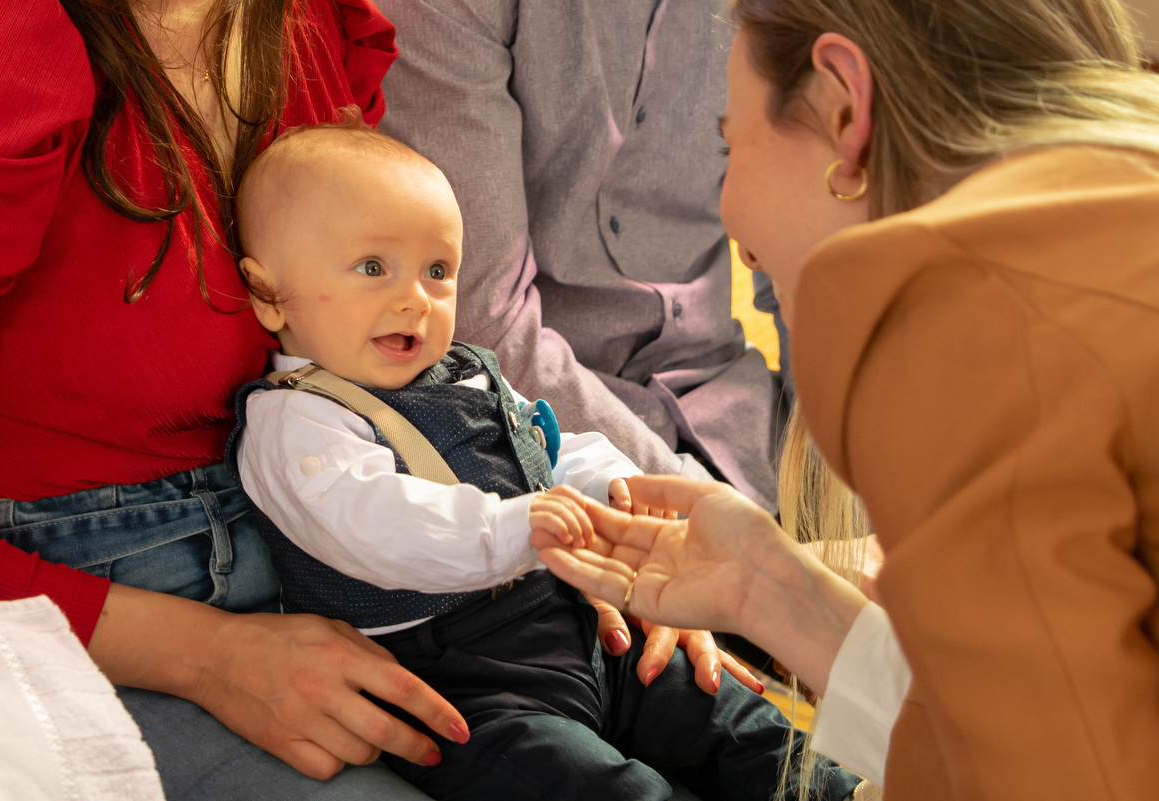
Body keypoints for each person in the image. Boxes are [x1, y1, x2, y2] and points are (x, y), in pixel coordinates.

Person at [538, 1, 1159, 799]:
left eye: (732, 144)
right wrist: (771, 590)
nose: (735, 225)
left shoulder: (942, 306)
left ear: (844, 103)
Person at [229, 119, 863, 801]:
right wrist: (518, 526)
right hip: (467, 685)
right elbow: (374, 522)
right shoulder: (295, 416)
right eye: (373, 268)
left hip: (579, 623)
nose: (415, 297)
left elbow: (547, 449)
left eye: (437, 271)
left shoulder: (463, 374)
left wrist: (615, 490)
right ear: (270, 295)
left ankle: (843, 790)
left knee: (725, 714)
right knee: (589, 784)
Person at [0, 2, 469, 798]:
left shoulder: (319, 23)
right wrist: (208, 656)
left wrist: (571, 539)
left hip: (338, 539)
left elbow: (386, 350)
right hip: (81, 601)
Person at [375, 0, 788, 512]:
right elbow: (473, 315)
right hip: (535, 447)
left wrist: (840, 472)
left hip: (748, 422)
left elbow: (809, 254)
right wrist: (696, 509)